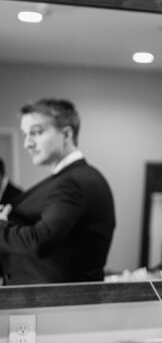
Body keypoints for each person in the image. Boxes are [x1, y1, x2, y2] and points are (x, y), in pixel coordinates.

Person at [0, 98, 116, 284]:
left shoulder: (73, 182)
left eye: (36, 133)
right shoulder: (71, 179)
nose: (27, 144)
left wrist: (2, 227)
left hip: (59, 306)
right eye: (25, 134)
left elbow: (40, 241)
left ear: (66, 135)